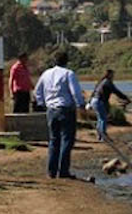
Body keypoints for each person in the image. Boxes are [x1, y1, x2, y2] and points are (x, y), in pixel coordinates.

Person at [34, 49, 85, 179]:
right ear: (66, 61)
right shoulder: (69, 74)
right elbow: (75, 92)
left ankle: (51, 172)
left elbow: (37, 91)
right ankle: (63, 171)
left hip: (51, 110)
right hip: (66, 110)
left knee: (54, 140)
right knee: (67, 140)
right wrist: (81, 105)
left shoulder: (46, 74)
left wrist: (43, 104)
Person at [89, 69, 130, 141]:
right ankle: (103, 137)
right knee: (103, 118)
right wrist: (126, 98)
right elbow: (116, 91)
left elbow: (94, 91)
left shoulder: (101, 81)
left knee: (100, 118)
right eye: (112, 74)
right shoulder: (108, 82)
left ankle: (100, 136)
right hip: (99, 101)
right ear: (109, 74)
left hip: (94, 101)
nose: (113, 76)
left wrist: (89, 102)